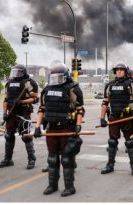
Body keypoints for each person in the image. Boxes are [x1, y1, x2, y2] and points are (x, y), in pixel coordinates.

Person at [33, 63, 84, 197]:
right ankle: (52, 185)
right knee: (52, 159)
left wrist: (78, 125)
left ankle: (69, 187)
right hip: (51, 129)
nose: (56, 80)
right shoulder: (46, 90)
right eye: (54, 77)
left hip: (67, 128)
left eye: (59, 77)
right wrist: (37, 127)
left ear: (66, 77)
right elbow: (41, 109)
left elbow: (80, 110)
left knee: (67, 159)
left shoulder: (73, 90)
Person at [99, 63, 133, 176]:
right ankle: (110, 165)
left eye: (121, 70)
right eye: (117, 70)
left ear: (126, 71)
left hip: (128, 117)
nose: (119, 72)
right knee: (112, 142)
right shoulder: (110, 85)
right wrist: (102, 118)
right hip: (114, 117)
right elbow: (105, 103)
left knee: (130, 142)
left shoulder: (132, 84)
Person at [0, 64, 39, 169]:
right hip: (11, 113)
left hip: (23, 113)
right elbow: (6, 100)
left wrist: (22, 101)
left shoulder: (29, 83)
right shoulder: (9, 83)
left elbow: (35, 98)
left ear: (23, 72)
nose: (15, 74)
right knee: (8, 135)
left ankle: (31, 159)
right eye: (14, 72)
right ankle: (8, 159)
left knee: (26, 137)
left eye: (18, 72)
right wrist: (4, 113)